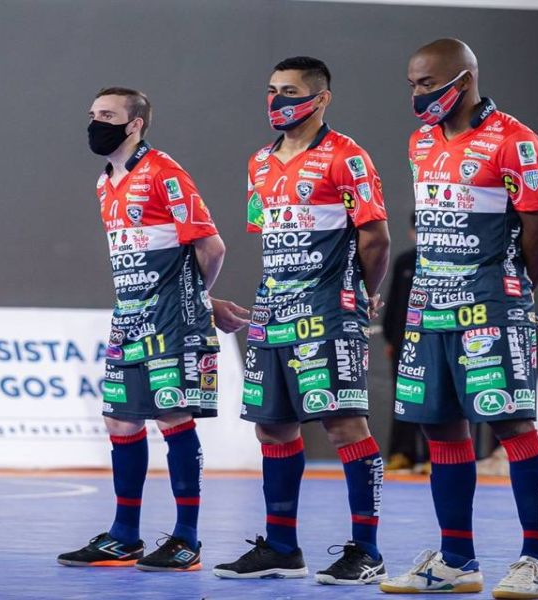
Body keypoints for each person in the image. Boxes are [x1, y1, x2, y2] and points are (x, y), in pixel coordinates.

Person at [381, 39, 538, 598]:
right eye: (412, 84)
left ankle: (537, 560)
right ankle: (457, 558)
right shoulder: (420, 141)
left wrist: (511, 292)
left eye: (427, 84)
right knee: (439, 427)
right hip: (428, 309)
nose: (417, 94)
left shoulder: (514, 139)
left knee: (511, 425)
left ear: (463, 80)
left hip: (491, 308)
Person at [212, 56, 391, 585]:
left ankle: (368, 550)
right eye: (272, 90)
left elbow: (375, 238)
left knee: (343, 423)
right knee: (272, 427)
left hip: (329, 310)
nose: (277, 100)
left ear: (321, 98)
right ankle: (282, 547)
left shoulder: (347, 156)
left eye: (290, 91)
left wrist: (362, 293)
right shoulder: (259, 163)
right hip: (273, 310)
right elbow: (270, 236)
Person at [56, 87, 248, 572]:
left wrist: (195, 300)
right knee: (120, 421)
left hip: (171, 320)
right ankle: (124, 536)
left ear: (135, 123)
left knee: (172, 416)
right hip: (129, 317)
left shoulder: (164, 171)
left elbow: (212, 247)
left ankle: (187, 539)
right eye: (92, 114)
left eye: (107, 115)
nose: (95, 123)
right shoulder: (105, 183)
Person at [381, 213, 428, 472]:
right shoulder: (404, 262)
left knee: (433, 396)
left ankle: (433, 455)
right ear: (411, 232)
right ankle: (402, 453)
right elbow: (394, 303)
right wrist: (390, 338)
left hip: (432, 339)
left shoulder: (445, 262)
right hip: (403, 342)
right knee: (403, 396)